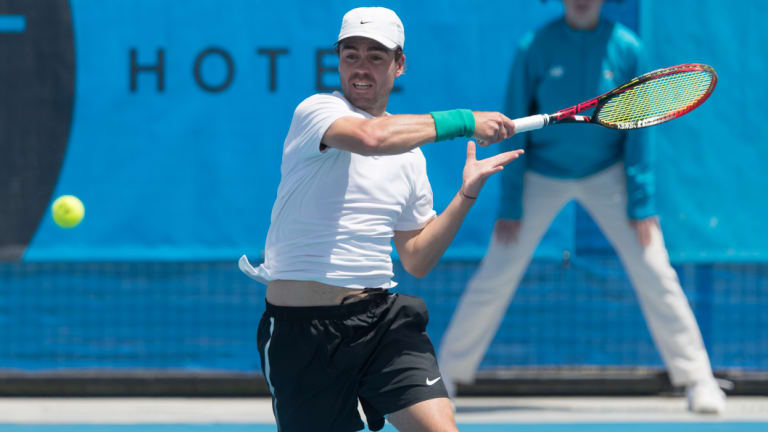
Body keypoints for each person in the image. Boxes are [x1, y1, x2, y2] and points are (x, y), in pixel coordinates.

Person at [238, 7, 523, 432]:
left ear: (399, 64)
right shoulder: (317, 110)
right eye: (351, 54)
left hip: (380, 321)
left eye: (375, 56)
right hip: (302, 335)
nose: (361, 67)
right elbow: (371, 139)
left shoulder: (410, 157)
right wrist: (466, 121)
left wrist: (466, 195)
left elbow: (417, 260)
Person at [438, 0, 726, 415]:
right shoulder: (533, 47)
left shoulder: (628, 47)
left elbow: (641, 132)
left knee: (655, 270)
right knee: (496, 270)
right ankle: (445, 378)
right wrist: (512, 203)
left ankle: (699, 380)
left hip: (608, 176)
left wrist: (640, 201)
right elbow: (514, 126)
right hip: (541, 174)